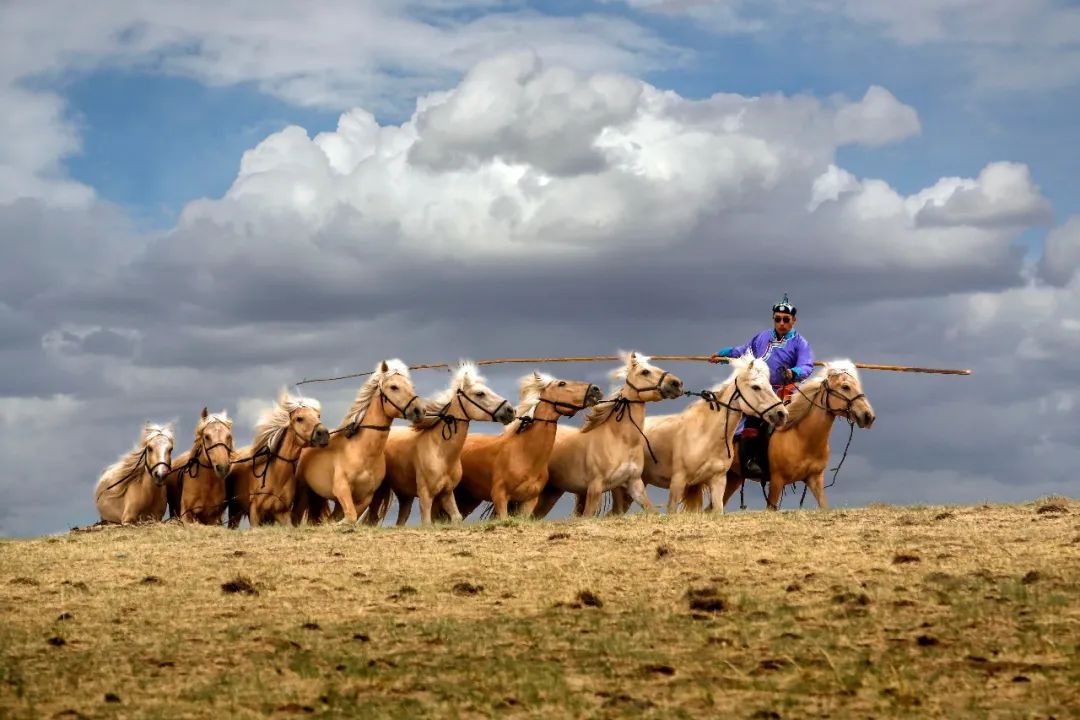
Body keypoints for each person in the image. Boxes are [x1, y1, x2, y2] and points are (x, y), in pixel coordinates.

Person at [708, 293, 814, 479]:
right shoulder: (762, 337)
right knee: (742, 416)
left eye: (785, 319)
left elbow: (807, 365)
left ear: (793, 321)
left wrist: (793, 373)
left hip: (783, 391)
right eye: (778, 319)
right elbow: (743, 352)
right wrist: (723, 356)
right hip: (757, 389)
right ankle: (747, 460)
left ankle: (796, 460)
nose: (781, 323)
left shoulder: (800, 343)